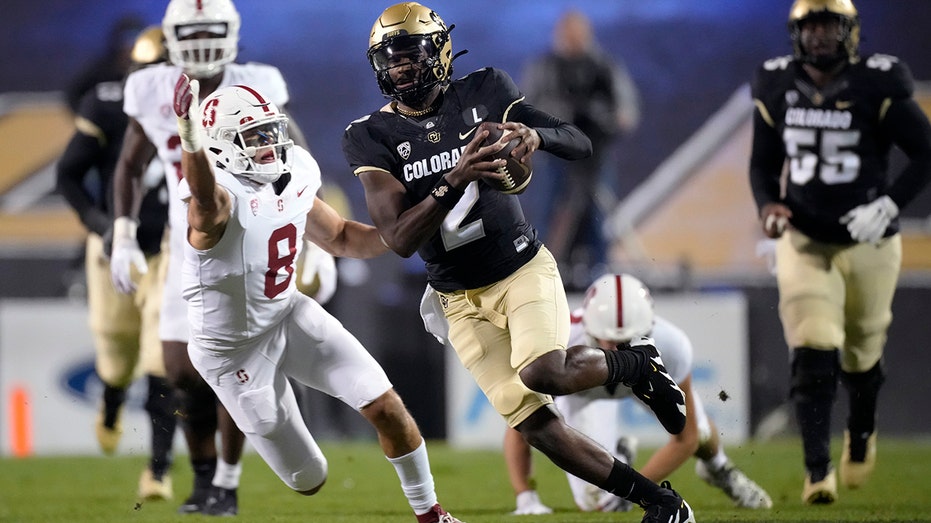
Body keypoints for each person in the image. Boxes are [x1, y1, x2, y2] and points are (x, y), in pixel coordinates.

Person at [342, 3, 693, 522]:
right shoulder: (368, 135)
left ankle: (638, 363)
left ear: (439, 54)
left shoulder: (485, 90)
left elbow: (579, 141)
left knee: (544, 372)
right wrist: (453, 179)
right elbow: (397, 237)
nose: (400, 70)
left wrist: (536, 135)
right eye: (389, 60)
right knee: (535, 424)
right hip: (455, 298)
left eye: (410, 57)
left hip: (519, 268)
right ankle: (662, 503)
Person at [171, 74, 463, 523]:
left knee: (385, 405)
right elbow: (207, 201)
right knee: (309, 478)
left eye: (270, 133)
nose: (269, 146)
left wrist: (417, 228)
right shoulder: (216, 200)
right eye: (253, 138)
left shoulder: (295, 173)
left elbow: (344, 236)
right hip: (230, 351)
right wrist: (190, 138)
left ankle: (432, 515)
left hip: (288, 313)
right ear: (220, 147)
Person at [110, 0, 325, 515]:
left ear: (231, 32)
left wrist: (316, 240)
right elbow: (130, 166)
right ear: (170, 36)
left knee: (238, 371)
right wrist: (121, 233)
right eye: (193, 30)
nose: (203, 40)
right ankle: (206, 477)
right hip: (187, 244)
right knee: (180, 372)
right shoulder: (151, 87)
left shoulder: (258, 84)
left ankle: (223, 485)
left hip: (251, 238)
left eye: (212, 30)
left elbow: (296, 161)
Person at [749, 0, 931, 505]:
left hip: (870, 239)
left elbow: (925, 151)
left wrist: (890, 202)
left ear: (850, 32)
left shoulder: (878, 81)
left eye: (830, 26)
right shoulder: (777, 84)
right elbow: (762, 165)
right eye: (811, 27)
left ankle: (862, 429)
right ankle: (816, 471)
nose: (821, 37)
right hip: (805, 239)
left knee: (861, 356)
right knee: (812, 346)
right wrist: (769, 206)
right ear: (795, 33)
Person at [503, 274, 772, 514]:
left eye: (626, 339)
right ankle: (620, 456)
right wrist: (526, 499)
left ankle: (719, 467)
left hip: (642, 379)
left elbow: (685, 438)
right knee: (594, 502)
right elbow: (521, 420)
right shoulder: (562, 339)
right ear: (588, 326)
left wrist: (635, 489)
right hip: (580, 392)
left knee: (696, 428)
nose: (615, 348)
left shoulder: (671, 344)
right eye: (606, 338)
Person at [56, 25, 178, 502]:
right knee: (117, 357)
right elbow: (68, 174)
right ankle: (110, 401)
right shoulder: (107, 103)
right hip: (115, 248)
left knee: (160, 360)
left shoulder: (200, 108)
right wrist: (99, 221)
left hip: (170, 249)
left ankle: (158, 470)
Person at [520, 9, 641, 290]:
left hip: (594, 157)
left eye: (578, 34)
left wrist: (600, 118)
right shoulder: (544, 67)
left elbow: (626, 113)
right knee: (551, 218)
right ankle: (547, 282)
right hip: (554, 156)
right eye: (567, 34)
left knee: (599, 221)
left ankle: (601, 281)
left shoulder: (604, 67)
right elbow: (523, 109)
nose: (572, 40)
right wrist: (556, 119)